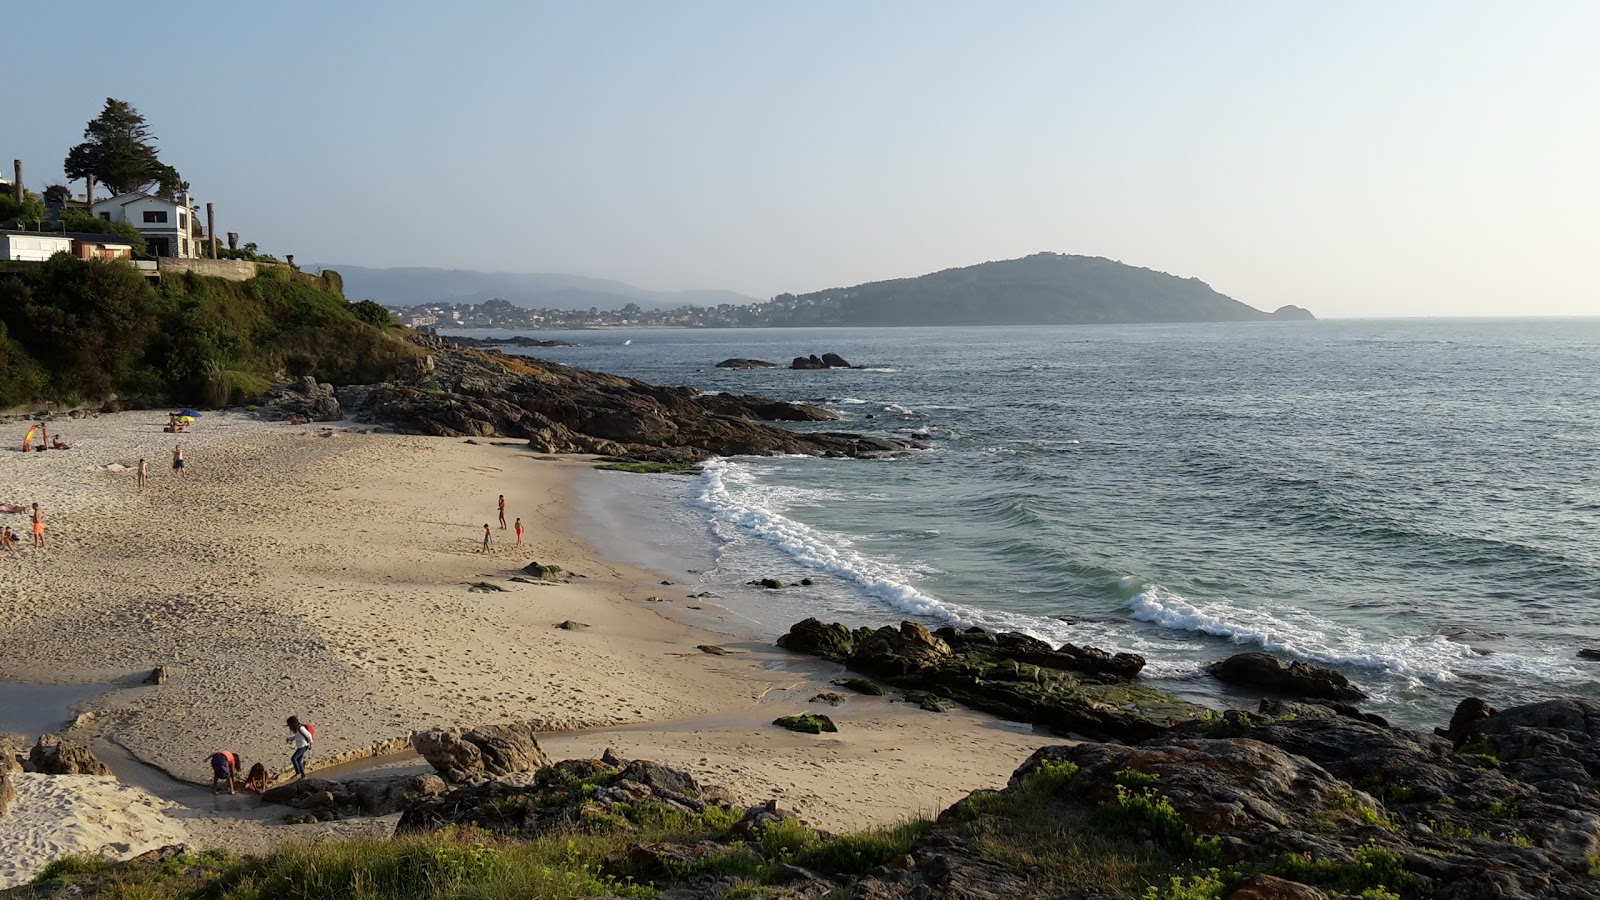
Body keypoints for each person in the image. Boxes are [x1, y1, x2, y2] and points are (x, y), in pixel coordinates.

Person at [286, 716, 313, 780]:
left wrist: (311, 744)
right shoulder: (298, 729)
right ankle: (303, 777)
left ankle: (298, 773)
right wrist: (290, 739)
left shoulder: (301, 728)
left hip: (303, 746)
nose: (290, 727)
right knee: (299, 760)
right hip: (301, 746)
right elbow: (297, 736)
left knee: (293, 758)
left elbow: (309, 735)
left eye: (290, 725)